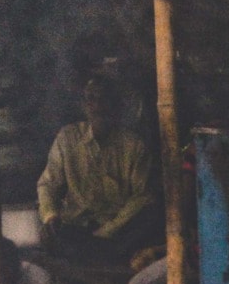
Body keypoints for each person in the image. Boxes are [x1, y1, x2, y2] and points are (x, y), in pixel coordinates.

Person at [37, 71, 158, 266]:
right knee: (50, 236)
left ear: (116, 106)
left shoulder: (134, 145)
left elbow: (142, 196)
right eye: (91, 99)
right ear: (84, 106)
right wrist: (50, 216)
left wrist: (109, 230)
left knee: (147, 222)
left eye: (104, 99)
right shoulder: (68, 137)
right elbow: (47, 184)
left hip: (117, 231)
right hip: (76, 227)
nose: (97, 106)